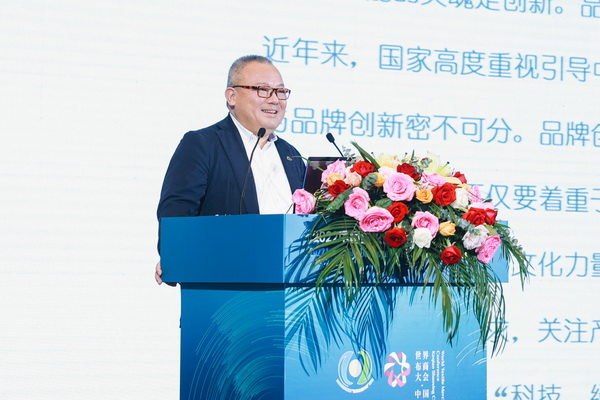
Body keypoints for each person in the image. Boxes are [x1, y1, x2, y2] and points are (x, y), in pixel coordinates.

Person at [155, 55, 305, 284]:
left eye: (280, 91)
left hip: (293, 288)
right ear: (232, 96)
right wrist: (175, 258)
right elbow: (176, 214)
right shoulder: (203, 144)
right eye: (263, 90)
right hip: (225, 288)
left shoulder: (291, 155)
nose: (275, 99)